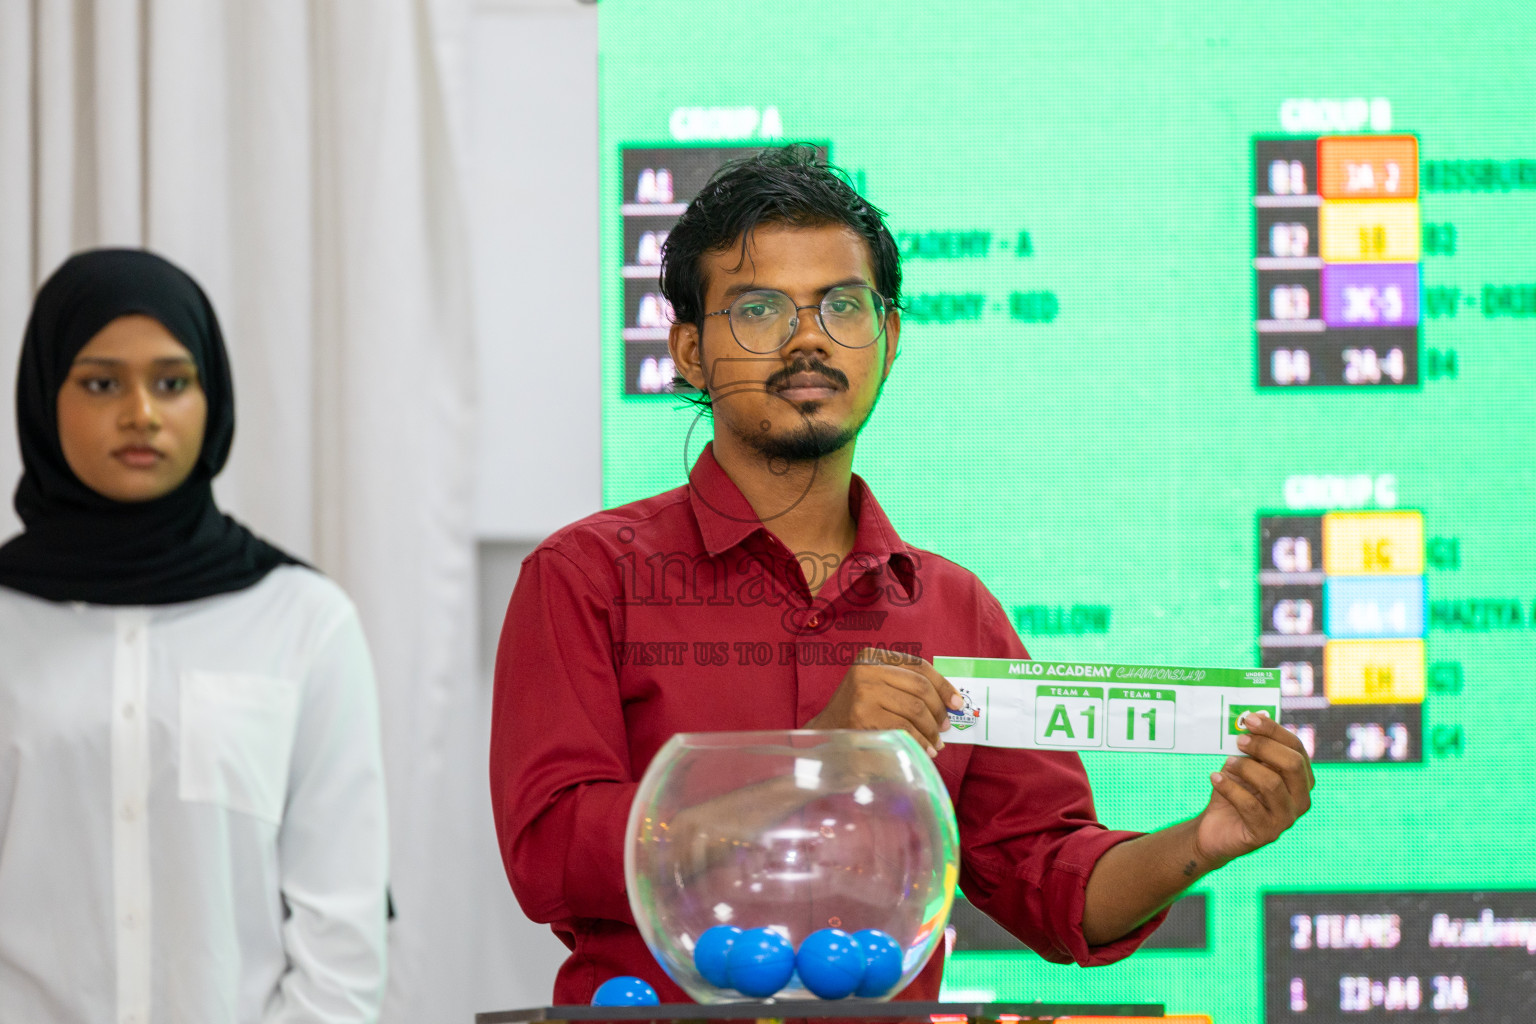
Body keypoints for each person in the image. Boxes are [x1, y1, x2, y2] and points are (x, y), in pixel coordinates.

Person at [489, 146, 1315, 1003]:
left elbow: (1050, 881)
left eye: (842, 305)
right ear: (690, 352)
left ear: (887, 339)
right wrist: (818, 755)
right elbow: (550, 858)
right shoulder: (586, 578)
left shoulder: (953, 608)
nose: (809, 337)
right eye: (760, 308)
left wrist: (1201, 843)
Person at [0, 249, 389, 1023]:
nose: (141, 412)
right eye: (102, 382)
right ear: (47, 397)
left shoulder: (302, 621)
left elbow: (341, 929)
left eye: (172, 383)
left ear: (212, 399)